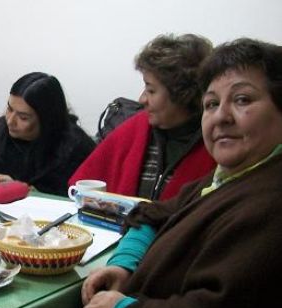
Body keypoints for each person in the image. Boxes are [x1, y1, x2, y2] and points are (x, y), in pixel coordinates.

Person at [13, 38, 282, 308]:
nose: (222, 116)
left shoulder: (269, 202)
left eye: (242, 99)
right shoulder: (227, 180)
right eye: (212, 104)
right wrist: (125, 262)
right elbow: (156, 214)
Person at [69, 34, 216, 200]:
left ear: (182, 94)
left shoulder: (215, 144)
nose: (141, 99)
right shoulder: (136, 128)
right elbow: (82, 186)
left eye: (151, 90)